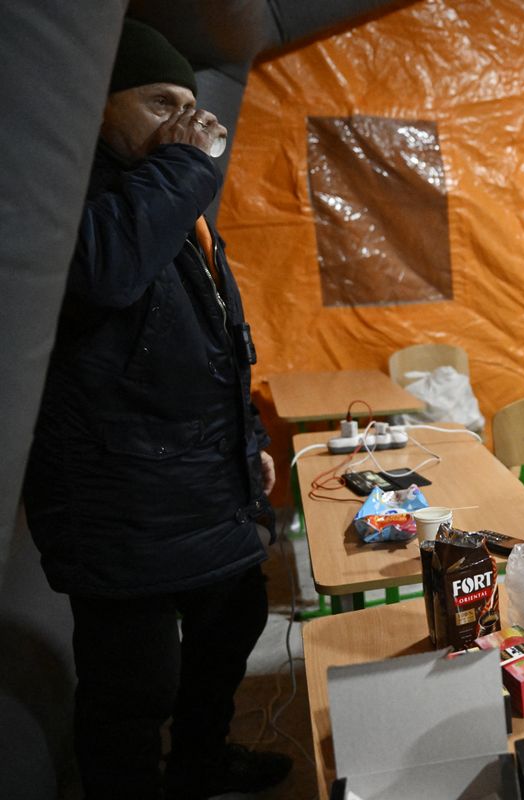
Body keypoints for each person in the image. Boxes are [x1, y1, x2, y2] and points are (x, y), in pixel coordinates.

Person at [21, 18, 291, 799]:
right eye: (158, 101)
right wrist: (182, 168)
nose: (185, 121)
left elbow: (211, 353)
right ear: (98, 108)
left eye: (189, 102)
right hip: (121, 510)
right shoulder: (85, 202)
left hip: (202, 494)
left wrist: (246, 446)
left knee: (234, 623)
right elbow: (100, 272)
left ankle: (201, 762)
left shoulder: (172, 203)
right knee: (132, 688)